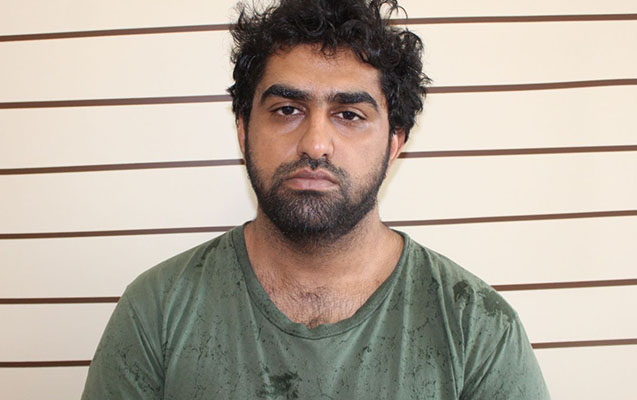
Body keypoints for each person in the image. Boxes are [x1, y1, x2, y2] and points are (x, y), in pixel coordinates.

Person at [82, 0, 550, 398]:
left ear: (395, 142)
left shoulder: (476, 327)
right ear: (243, 130)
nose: (315, 143)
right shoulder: (157, 311)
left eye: (349, 114)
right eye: (287, 109)